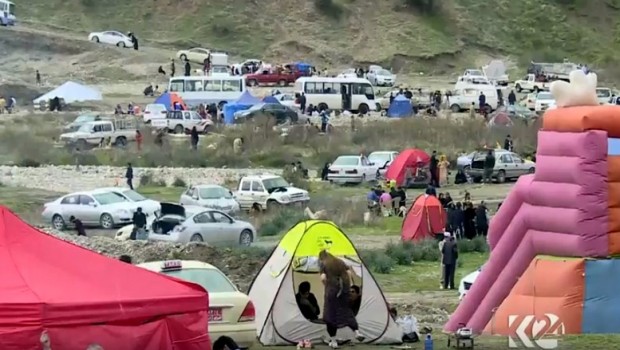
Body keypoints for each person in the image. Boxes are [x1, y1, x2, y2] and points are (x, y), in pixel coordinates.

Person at [318, 250, 364, 348]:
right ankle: (357, 332)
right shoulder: (340, 261)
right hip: (344, 290)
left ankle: (334, 341)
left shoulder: (324, 263)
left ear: (321, 257)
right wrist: (349, 286)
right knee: (346, 311)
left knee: (330, 315)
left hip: (332, 291)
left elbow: (323, 278)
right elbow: (349, 273)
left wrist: (327, 286)